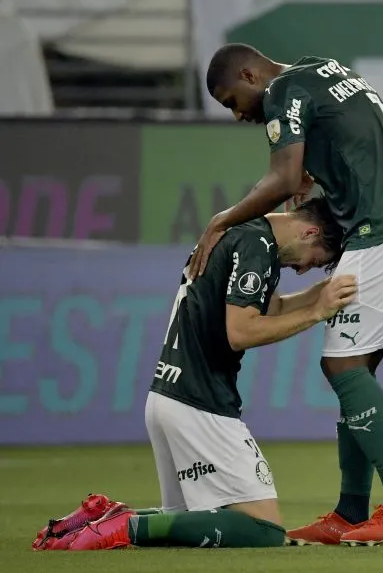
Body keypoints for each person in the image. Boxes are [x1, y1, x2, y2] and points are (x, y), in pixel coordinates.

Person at [199, 45, 383, 545]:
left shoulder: (282, 91)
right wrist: (323, 169)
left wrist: (221, 219)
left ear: (250, 73)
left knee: (342, 364)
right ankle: (352, 511)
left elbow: (284, 177)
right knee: (355, 367)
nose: (238, 113)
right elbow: (352, 132)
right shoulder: (322, 68)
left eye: (232, 98)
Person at [34, 198, 356, 551]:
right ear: (310, 231)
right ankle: (126, 525)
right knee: (264, 529)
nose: (302, 270)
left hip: (167, 396)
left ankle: (100, 518)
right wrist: (317, 313)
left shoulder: (239, 232)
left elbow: (272, 307)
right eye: (315, 261)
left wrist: (317, 296)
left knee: (187, 521)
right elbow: (241, 331)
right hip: (200, 401)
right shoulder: (257, 246)